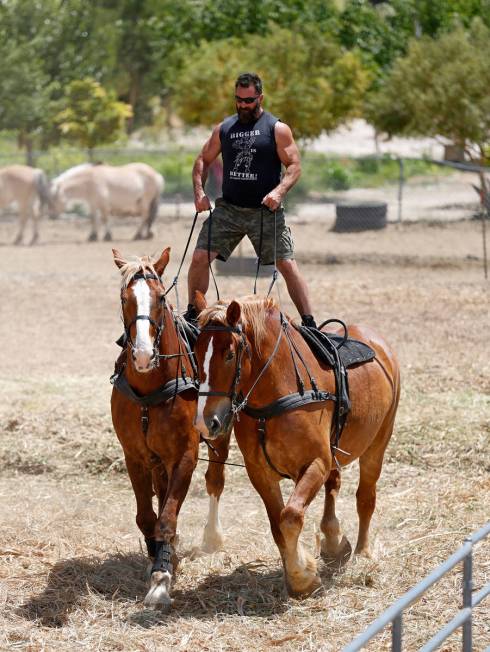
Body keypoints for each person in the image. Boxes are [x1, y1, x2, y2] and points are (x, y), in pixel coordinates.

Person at [184, 71, 317, 329]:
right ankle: (193, 314)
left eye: (249, 100)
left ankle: (310, 323)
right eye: (239, 100)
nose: (243, 105)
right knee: (199, 258)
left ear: (260, 97)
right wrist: (199, 192)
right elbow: (203, 160)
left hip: (265, 212)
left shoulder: (276, 129)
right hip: (229, 210)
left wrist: (279, 192)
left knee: (287, 264)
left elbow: (294, 166)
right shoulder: (224, 129)